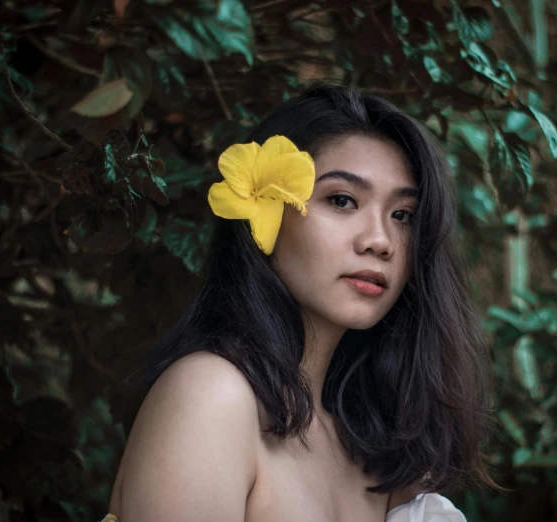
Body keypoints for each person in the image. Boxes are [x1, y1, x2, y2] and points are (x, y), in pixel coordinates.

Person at [101, 81, 502, 522]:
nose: (380, 241)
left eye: (402, 215)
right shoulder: (212, 395)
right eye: (342, 200)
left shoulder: (374, 449)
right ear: (264, 212)